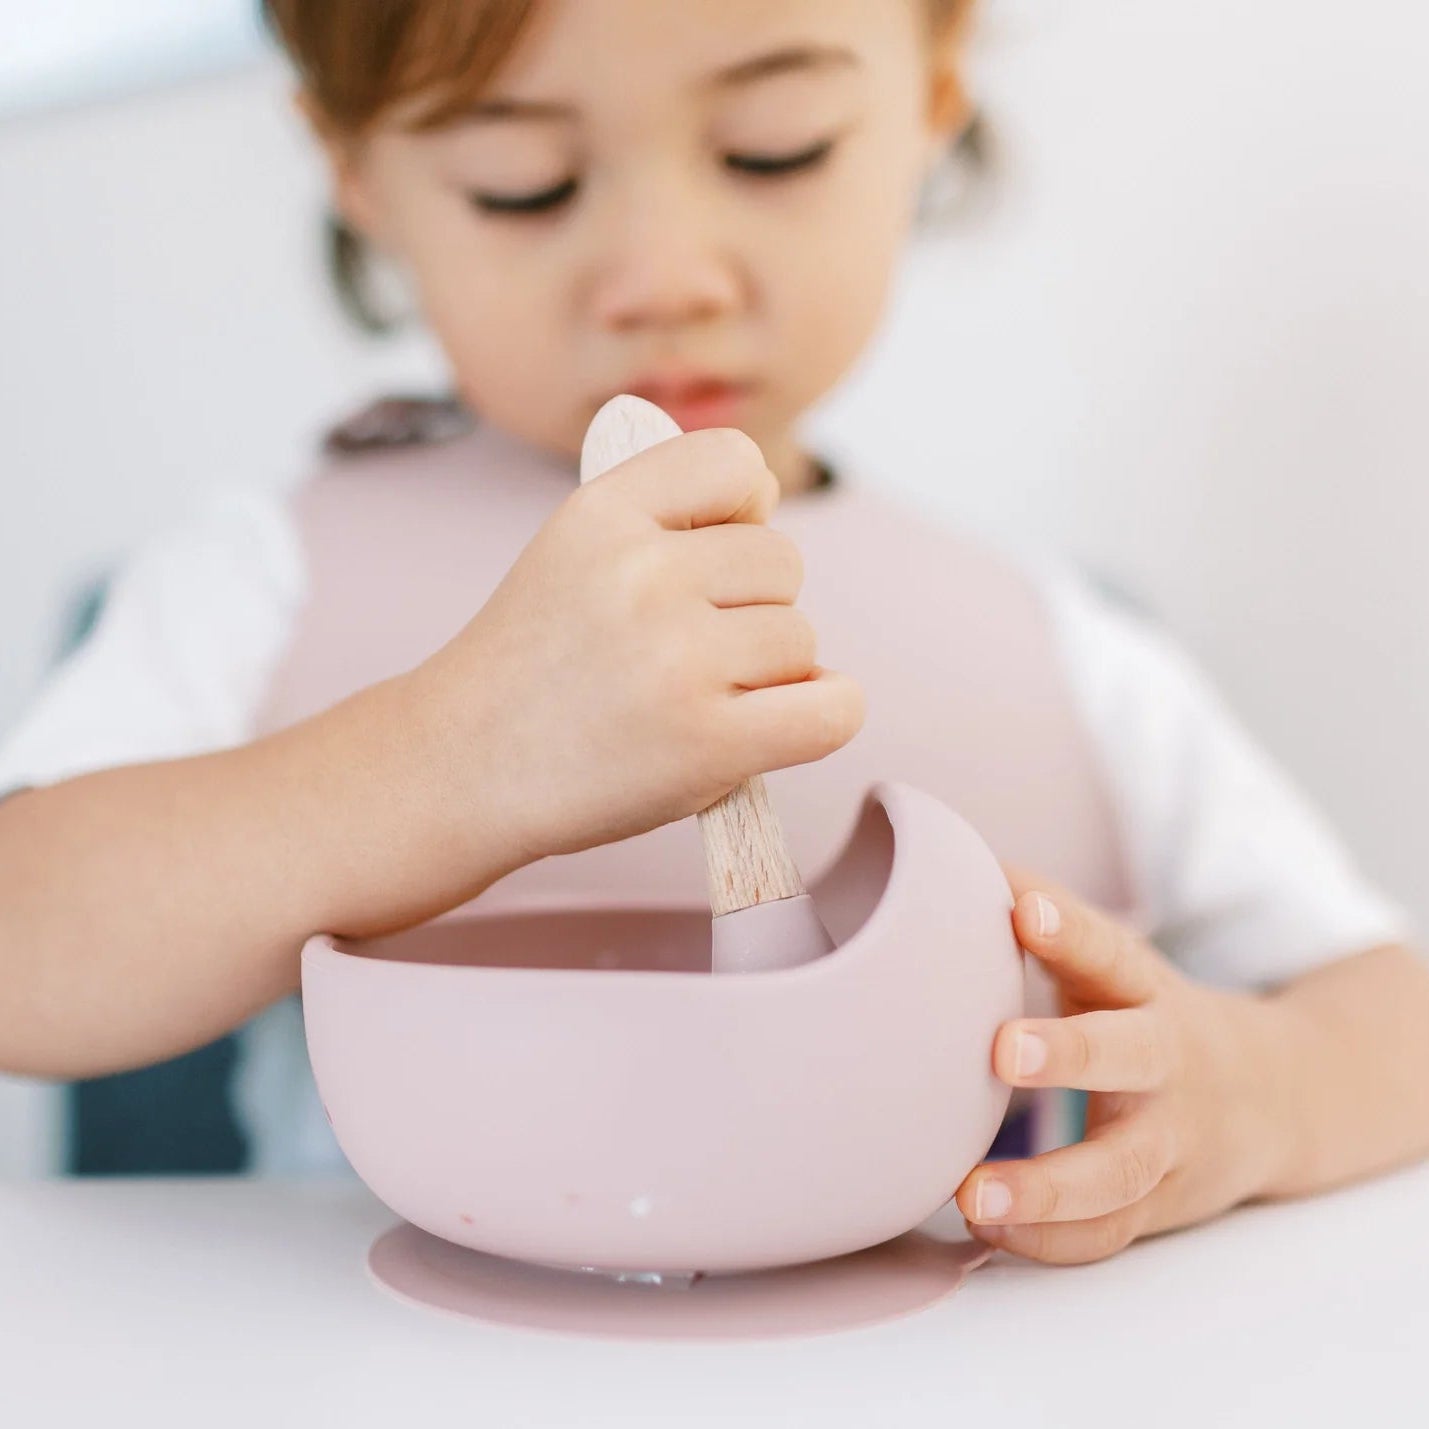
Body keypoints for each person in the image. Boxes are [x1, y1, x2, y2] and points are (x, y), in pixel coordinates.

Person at [1, 0, 1425, 1264]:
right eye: (524, 184)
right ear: (358, 169)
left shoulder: (1056, 639)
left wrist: (1250, 1094)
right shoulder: (262, 578)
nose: (663, 273)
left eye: (772, 149)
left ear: (931, 92)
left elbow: (1395, 1022)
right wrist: (445, 759)